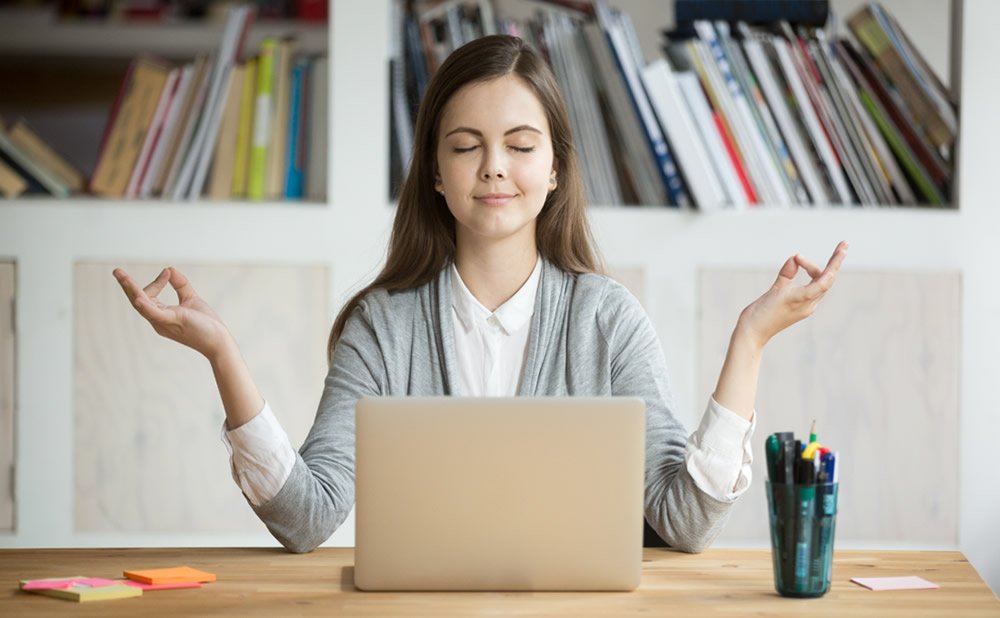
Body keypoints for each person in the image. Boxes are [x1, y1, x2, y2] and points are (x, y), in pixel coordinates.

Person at [113, 35, 847, 554]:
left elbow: (683, 522)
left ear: (555, 168)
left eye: (521, 146)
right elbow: (307, 520)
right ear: (435, 171)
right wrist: (222, 353)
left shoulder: (607, 319)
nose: (494, 167)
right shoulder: (384, 326)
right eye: (465, 146)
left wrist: (749, 341)